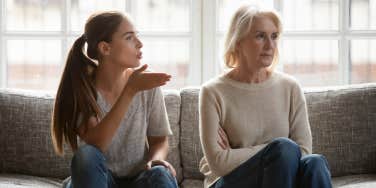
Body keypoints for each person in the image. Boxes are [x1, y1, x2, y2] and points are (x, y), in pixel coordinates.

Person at [199, 4, 332, 188]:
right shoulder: (212, 92)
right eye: (260, 36)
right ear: (238, 41)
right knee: (285, 149)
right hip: (230, 182)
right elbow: (219, 163)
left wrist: (240, 153)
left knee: (315, 163)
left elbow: (303, 151)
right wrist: (275, 151)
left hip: (282, 178)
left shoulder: (290, 87)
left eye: (274, 36)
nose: (270, 45)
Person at [51, 11, 178, 188]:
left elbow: (159, 141)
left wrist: (156, 160)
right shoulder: (82, 89)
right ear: (105, 48)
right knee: (86, 155)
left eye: (137, 36)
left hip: (139, 179)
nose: (140, 44)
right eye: (129, 38)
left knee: (160, 174)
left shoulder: (147, 84)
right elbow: (97, 144)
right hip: (99, 180)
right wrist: (130, 90)